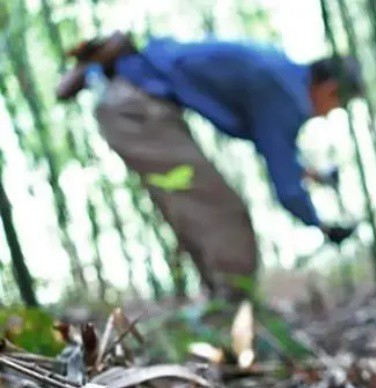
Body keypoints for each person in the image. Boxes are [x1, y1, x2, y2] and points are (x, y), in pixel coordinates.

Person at [57, 32, 358, 299]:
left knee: (200, 207)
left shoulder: (279, 72)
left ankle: (223, 306)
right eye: (337, 106)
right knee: (222, 213)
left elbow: (275, 149)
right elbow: (287, 186)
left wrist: (312, 175)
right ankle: (235, 311)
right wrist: (322, 226)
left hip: (134, 101)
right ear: (330, 89)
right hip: (135, 108)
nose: (329, 114)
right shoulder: (286, 96)